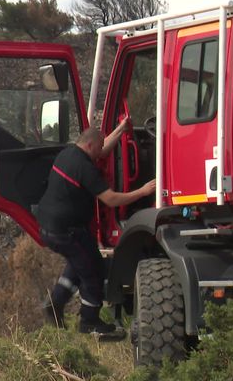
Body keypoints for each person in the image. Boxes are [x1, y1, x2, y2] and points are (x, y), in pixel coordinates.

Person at [37, 120, 156, 334]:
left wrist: (121, 129)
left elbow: (101, 148)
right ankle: (89, 321)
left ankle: (55, 303)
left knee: (79, 262)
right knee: (93, 271)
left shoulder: (68, 154)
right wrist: (143, 192)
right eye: (100, 147)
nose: (103, 151)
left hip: (49, 227)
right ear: (91, 145)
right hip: (67, 231)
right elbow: (110, 199)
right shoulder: (85, 168)